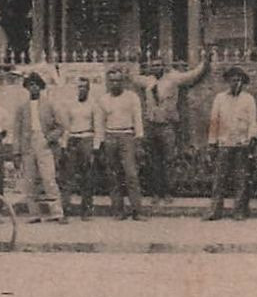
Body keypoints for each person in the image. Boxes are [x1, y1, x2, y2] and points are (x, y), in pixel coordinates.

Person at [134, 51, 212, 205]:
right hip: (151, 126)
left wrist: (205, 61)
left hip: (167, 126)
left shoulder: (173, 78)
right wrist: (135, 60)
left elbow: (193, 75)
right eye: (153, 66)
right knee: (153, 161)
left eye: (159, 65)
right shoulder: (147, 81)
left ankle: (168, 192)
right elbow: (133, 77)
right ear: (149, 68)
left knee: (168, 160)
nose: (156, 68)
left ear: (164, 66)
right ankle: (156, 193)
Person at [13, 72, 66, 223]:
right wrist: (16, 152)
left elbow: (60, 126)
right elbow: (16, 131)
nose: (33, 88)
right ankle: (34, 214)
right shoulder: (22, 107)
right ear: (27, 88)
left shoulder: (49, 104)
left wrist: (49, 138)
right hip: (27, 145)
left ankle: (57, 212)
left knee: (49, 178)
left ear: (40, 87)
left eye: (36, 85)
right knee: (29, 181)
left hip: (44, 144)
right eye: (30, 85)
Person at [206, 66, 257, 220]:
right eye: (233, 80)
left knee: (241, 179)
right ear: (228, 81)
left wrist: (250, 139)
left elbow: (252, 121)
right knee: (219, 179)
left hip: (241, 145)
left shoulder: (248, 99)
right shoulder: (220, 98)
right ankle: (215, 211)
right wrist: (212, 142)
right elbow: (214, 121)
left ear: (243, 82)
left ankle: (239, 211)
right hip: (224, 144)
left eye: (239, 80)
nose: (236, 83)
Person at [96, 67, 147, 220]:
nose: (115, 84)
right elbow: (99, 124)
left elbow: (138, 119)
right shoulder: (103, 100)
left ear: (123, 81)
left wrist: (139, 140)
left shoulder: (132, 97)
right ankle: (118, 211)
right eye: (112, 81)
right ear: (108, 82)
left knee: (131, 175)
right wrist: (100, 145)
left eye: (118, 80)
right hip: (110, 136)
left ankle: (137, 211)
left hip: (127, 135)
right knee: (113, 175)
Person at [58, 77, 102, 219]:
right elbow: (66, 126)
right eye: (79, 87)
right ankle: (65, 209)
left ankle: (87, 210)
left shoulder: (94, 105)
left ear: (88, 89)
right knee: (67, 176)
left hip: (87, 138)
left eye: (84, 87)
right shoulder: (70, 105)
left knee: (87, 177)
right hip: (72, 139)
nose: (81, 89)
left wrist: (95, 147)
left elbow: (98, 127)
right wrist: (64, 145)